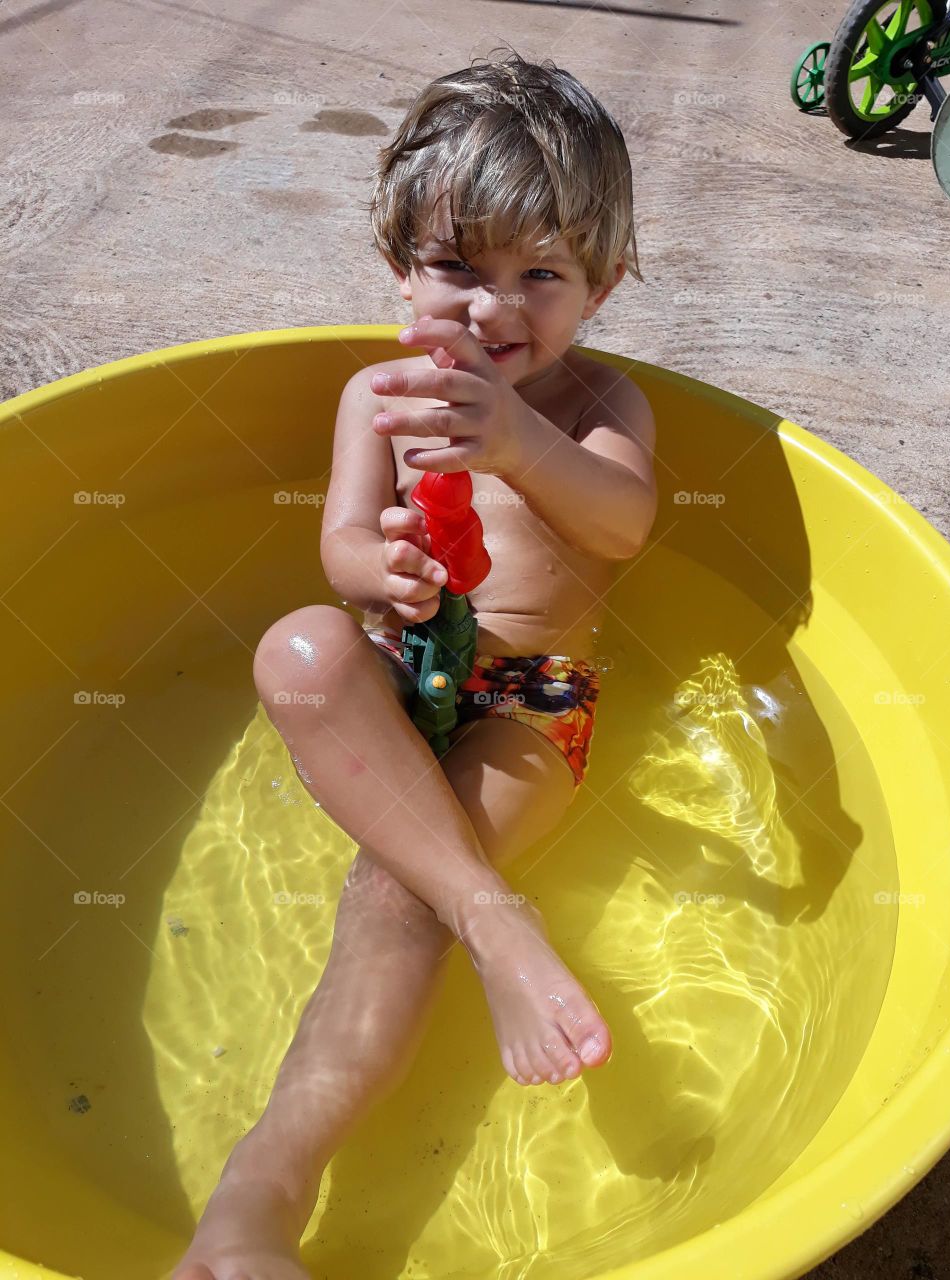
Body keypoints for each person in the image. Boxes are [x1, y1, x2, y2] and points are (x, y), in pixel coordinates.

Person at [175, 44, 657, 1280]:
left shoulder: (601, 406)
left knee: (395, 896)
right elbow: (340, 542)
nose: (494, 311)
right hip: (405, 672)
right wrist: (377, 569)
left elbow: (623, 525)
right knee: (298, 646)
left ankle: (257, 1196)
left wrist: (520, 445)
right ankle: (491, 916)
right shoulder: (377, 395)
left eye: (539, 274)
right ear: (400, 266)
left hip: (531, 706)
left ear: (600, 285)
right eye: (457, 268)